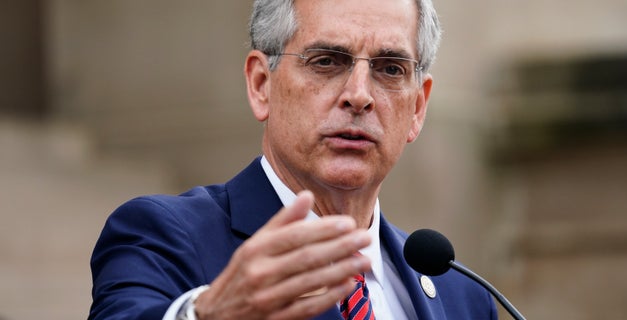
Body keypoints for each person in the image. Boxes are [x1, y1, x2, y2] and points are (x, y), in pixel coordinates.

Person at [89, 0, 498, 319]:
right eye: (326, 61)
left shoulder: (461, 293)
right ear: (261, 84)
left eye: (390, 68)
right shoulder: (163, 236)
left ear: (418, 109)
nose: (359, 95)